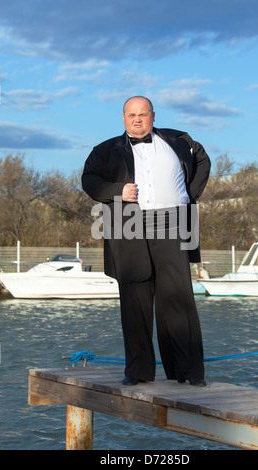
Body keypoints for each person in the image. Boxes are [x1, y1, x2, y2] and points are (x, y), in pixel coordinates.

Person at [82, 96, 211, 386]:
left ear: (153, 116)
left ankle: (188, 372)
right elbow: (88, 180)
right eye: (131, 115)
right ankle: (137, 371)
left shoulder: (179, 140)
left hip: (172, 222)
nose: (137, 119)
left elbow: (202, 159)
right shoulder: (105, 150)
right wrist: (118, 191)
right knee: (135, 299)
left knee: (177, 297)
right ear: (123, 117)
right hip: (128, 224)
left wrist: (189, 193)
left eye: (143, 114)